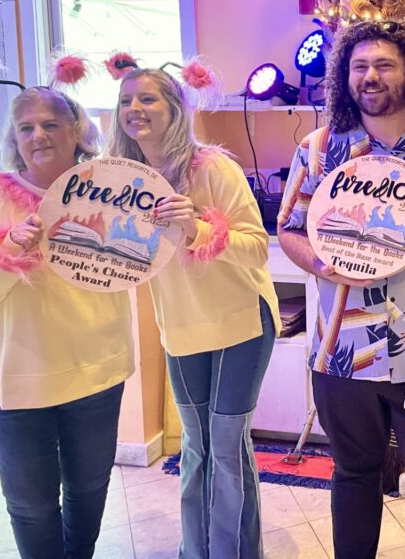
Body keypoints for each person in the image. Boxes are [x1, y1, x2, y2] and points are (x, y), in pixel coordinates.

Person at [276, 19, 405, 559]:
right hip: (344, 352)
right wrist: (323, 262)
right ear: (345, 75)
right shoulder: (319, 150)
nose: (370, 76)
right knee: (354, 475)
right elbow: (289, 228)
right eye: (359, 66)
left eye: (384, 64)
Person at [0, 86, 134, 559]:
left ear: (76, 131)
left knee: (89, 490)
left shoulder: (111, 192)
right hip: (16, 381)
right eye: (26, 127)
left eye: (50, 124)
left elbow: (141, 261)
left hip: (95, 373)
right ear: (14, 137)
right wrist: (8, 250)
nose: (38, 135)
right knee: (30, 506)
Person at [109, 66, 279, 559]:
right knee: (196, 447)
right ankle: (195, 550)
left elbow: (255, 248)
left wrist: (198, 229)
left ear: (175, 109)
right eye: (125, 101)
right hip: (180, 328)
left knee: (226, 448)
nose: (133, 110)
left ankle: (236, 553)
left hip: (241, 322)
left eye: (147, 100)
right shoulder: (124, 181)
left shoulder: (211, 169)